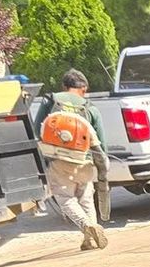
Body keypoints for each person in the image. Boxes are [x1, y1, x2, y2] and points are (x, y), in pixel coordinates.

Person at [35, 69, 110, 250]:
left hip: (58, 161)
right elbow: (100, 138)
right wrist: (103, 165)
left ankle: (87, 226)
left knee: (65, 197)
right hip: (85, 160)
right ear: (83, 88)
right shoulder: (89, 106)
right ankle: (90, 239)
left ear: (64, 87)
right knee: (86, 198)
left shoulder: (51, 100)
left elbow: (37, 129)